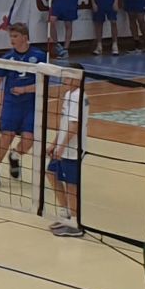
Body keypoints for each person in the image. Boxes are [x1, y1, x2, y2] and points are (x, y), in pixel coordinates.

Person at [0, 22, 46, 189]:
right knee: (6, 136)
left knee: (29, 139)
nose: (12, 40)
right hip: (11, 105)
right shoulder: (7, 58)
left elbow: (45, 85)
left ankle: (15, 156)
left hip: (31, 105)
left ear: (25, 37)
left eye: (15, 36)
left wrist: (25, 89)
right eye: (11, 36)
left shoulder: (40, 56)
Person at [46, 74, 85, 237]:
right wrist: (54, 143)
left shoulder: (78, 97)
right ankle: (66, 213)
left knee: (71, 185)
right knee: (51, 172)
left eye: (69, 76)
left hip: (72, 149)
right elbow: (64, 123)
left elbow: (74, 126)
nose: (65, 79)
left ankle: (75, 224)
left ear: (77, 78)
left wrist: (61, 147)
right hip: (63, 147)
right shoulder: (69, 94)